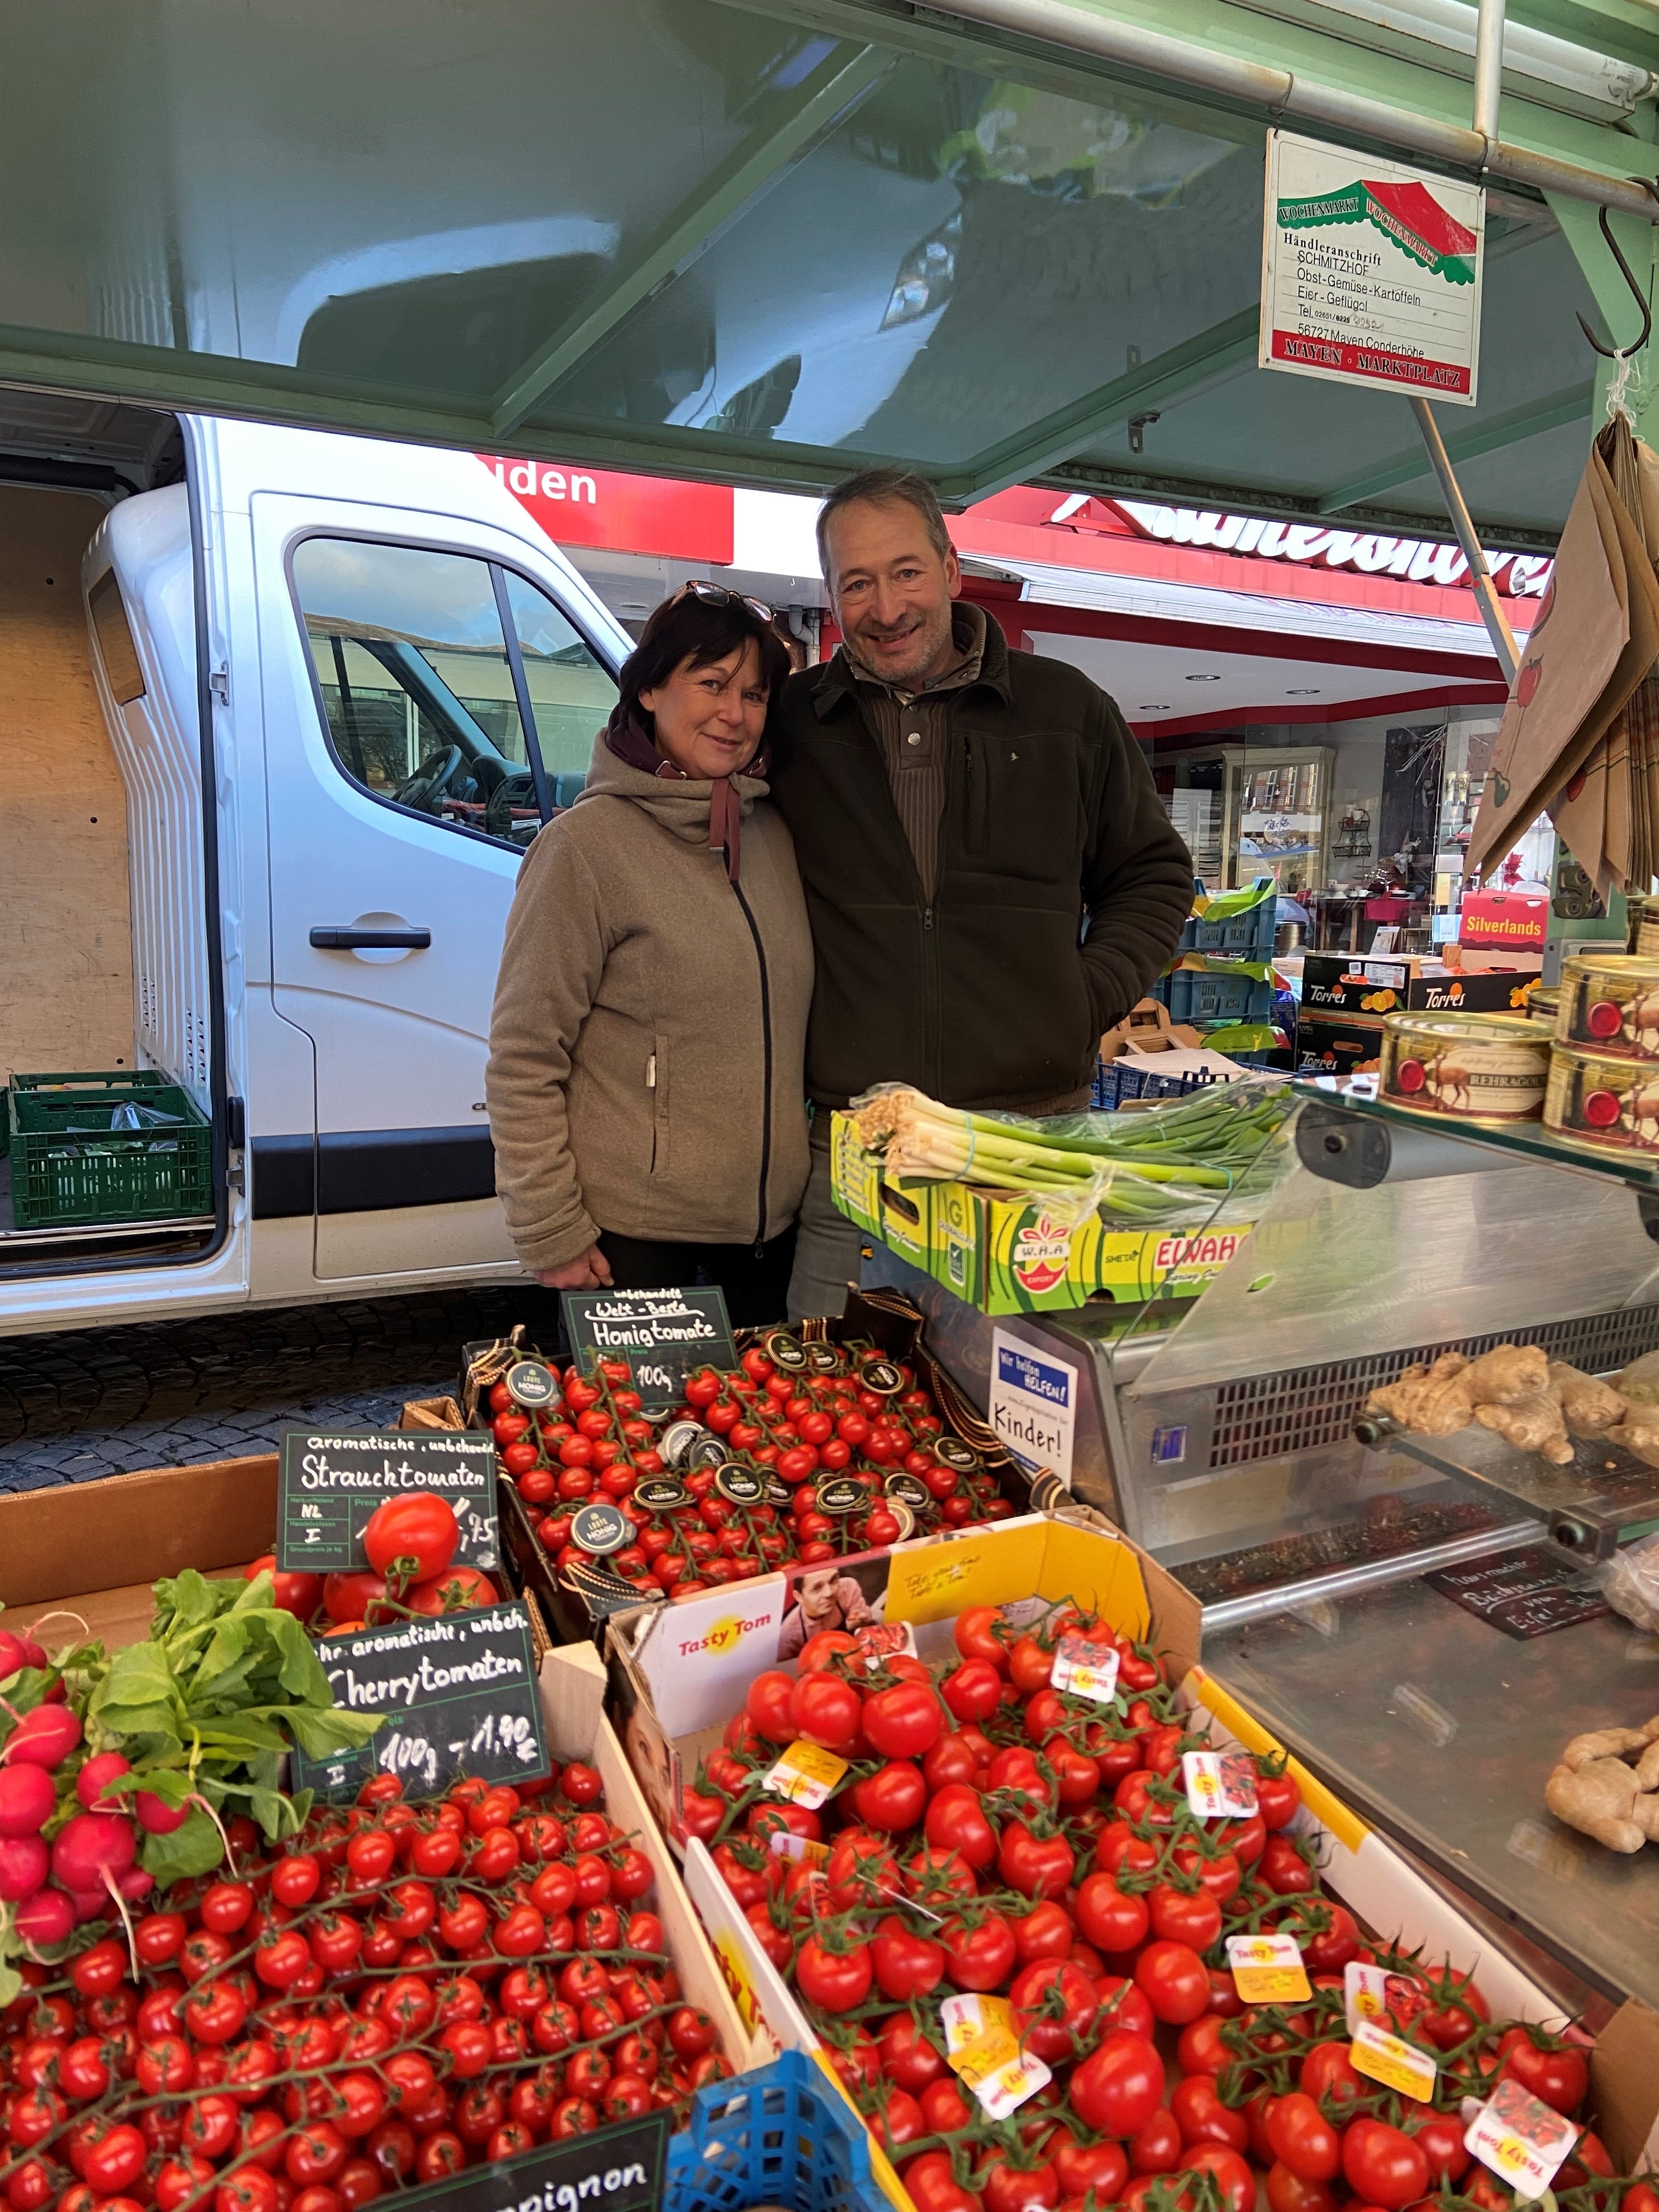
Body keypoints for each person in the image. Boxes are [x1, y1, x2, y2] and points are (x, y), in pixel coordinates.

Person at [769, 466, 1194, 1317]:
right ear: (832, 595)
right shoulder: (795, 723)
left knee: (1024, 1416)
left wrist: (1083, 997)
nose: (886, 607)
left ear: (953, 570)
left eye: (906, 572)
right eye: (857, 583)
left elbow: (1153, 873)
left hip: (1030, 1152)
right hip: (860, 1157)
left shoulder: (1066, 710)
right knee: (836, 1406)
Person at [486, 584, 812, 1327]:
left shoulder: (773, 837)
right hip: (635, 1246)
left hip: (767, 1241)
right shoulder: (583, 849)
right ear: (651, 689)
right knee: (646, 1443)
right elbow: (524, 1057)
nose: (735, 714)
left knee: (761, 1443)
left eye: (755, 695)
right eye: (712, 684)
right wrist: (551, 1229)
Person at [775, 1562, 879, 1662]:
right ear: (799, 1597)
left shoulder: (848, 1588)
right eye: (817, 1588)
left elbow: (871, 1633)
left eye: (833, 1580)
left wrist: (861, 1624)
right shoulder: (788, 1634)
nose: (829, 1593)